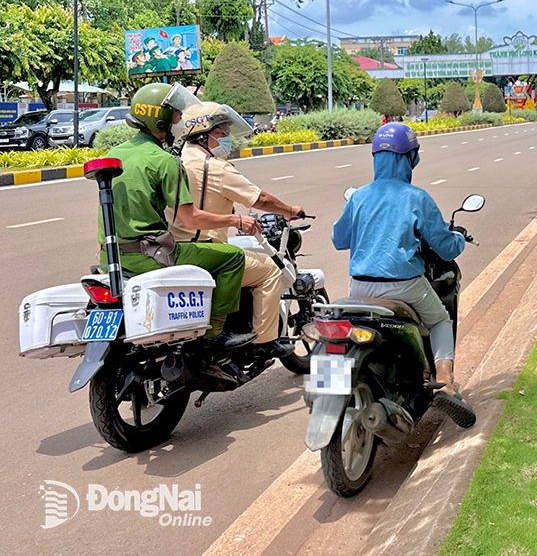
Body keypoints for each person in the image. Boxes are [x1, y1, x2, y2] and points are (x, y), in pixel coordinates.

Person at [332, 123, 475, 427]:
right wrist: (460, 239)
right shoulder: (416, 198)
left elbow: (338, 240)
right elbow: (446, 248)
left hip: (359, 289)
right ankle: (446, 382)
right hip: (404, 287)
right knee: (439, 320)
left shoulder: (358, 196)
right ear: (409, 158)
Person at [103, 83, 260, 346]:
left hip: (113, 255)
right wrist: (236, 220)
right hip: (151, 256)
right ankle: (215, 335)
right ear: (161, 122)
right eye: (176, 117)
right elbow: (190, 219)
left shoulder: (114, 154)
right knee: (232, 257)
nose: (180, 123)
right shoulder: (165, 161)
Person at [170, 101, 306, 359]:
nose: (225, 137)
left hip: (172, 249)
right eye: (220, 132)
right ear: (202, 133)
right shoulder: (216, 168)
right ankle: (263, 343)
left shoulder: (173, 162)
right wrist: (289, 210)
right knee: (268, 270)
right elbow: (261, 200)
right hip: (206, 249)